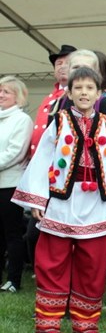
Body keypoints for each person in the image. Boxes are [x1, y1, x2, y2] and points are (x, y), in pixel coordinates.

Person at [12, 67, 106, 333]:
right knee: (53, 263)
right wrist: (37, 198)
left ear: (99, 93)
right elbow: (42, 159)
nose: (84, 93)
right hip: (61, 204)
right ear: (69, 93)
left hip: (96, 205)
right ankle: (48, 327)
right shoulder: (59, 122)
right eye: (78, 88)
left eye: (89, 88)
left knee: (92, 265)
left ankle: (86, 325)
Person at [0, 76, 33, 293]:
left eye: (6, 92)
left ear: (18, 96)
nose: (1, 95)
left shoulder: (22, 120)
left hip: (10, 184)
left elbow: (16, 152)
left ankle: (13, 279)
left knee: (12, 233)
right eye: (0, 91)